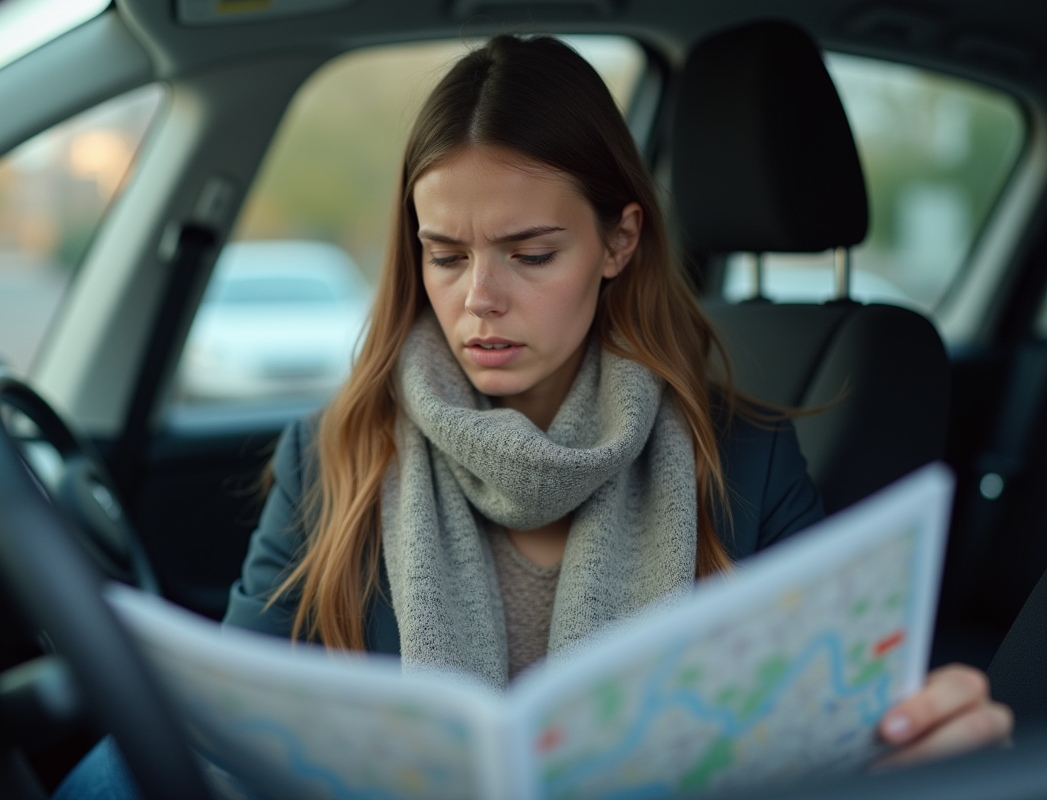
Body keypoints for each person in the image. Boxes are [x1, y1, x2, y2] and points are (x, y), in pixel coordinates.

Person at [55, 33, 1012, 800]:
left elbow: (830, 728)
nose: (479, 299)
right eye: (444, 254)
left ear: (618, 240)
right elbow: (228, 735)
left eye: (530, 253)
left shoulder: (745, 461)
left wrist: (920, 743)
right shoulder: (336, 453)